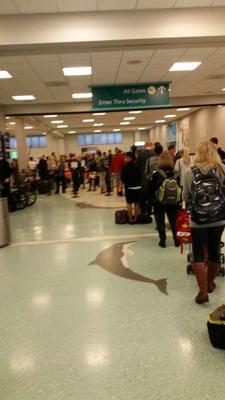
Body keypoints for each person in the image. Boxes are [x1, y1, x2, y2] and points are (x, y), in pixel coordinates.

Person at [183, 141, 225, 304]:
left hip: (197, 219)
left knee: (198, 253)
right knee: (215, 250)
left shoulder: (189, 171)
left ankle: (202, 291)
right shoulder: (221, 168)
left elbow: (186, 196)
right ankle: (210, 284)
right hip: (219, 217)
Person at [150, 153, 180, 248]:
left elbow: (151, 189)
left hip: (159, 202)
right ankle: (176, 241)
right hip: (173, 202)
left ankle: (162, 241)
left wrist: (151, 201)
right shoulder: (176, 173)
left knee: (160, 221)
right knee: (174, 221)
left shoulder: (156, 174)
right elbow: (180, 188)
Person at [121, 152, 142, 224]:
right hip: (138, 187)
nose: (125, 158)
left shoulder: (125, 167)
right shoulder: (138, 166)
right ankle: (135, 218)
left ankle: (130, 219)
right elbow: (141, 176)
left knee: (129, 203)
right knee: (137, 203)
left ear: (129, 157)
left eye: (126, 157)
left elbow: (122, 178)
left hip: (129, 187)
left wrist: (126, 183)